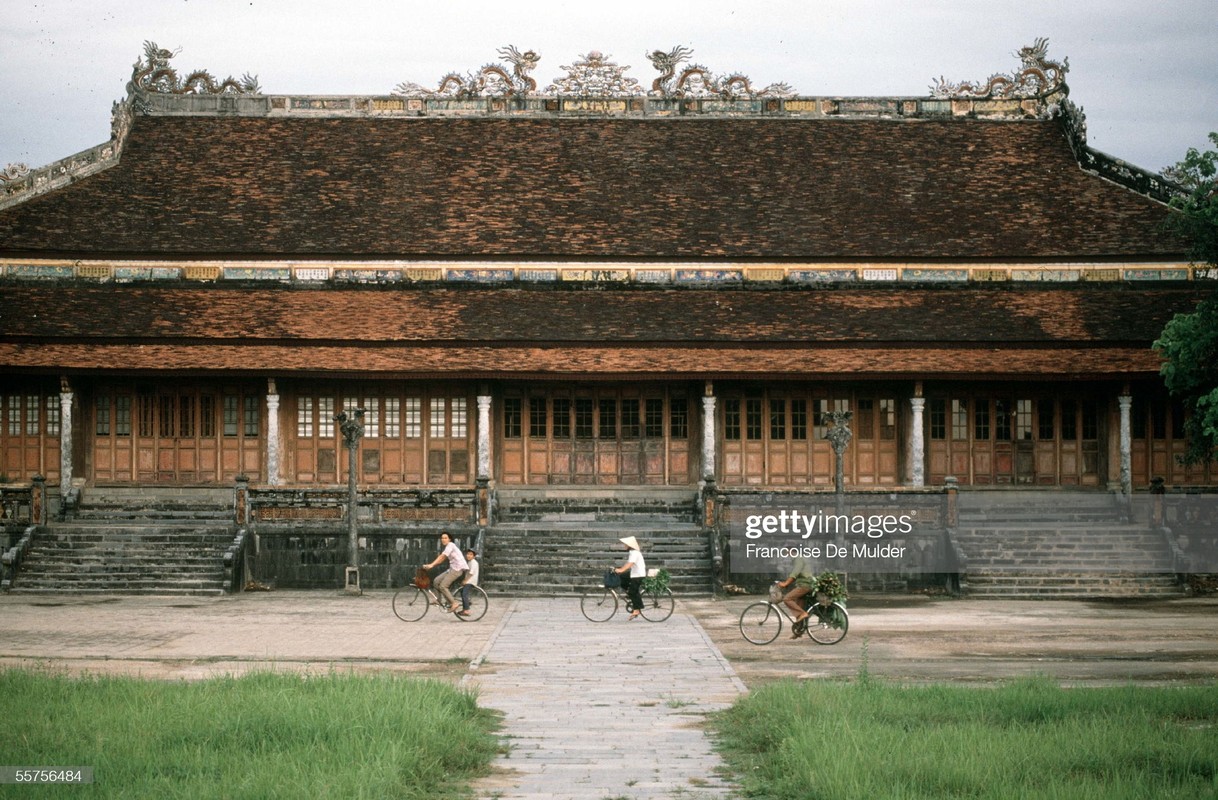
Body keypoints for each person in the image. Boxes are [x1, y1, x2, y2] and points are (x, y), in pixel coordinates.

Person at [423, 531, 469, 613]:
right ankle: (438, 600)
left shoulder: (450, 545)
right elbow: (441, 559)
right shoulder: (447, 547)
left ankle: (453, 603)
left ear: (449, 539)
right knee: (436, 581)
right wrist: (432, 565)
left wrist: (431, 565)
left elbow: (442, 556)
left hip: (458, 569)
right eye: (442, 538)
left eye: (445, 538)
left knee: (443, 586)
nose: (443, 540)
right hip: (452, 568)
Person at [776, 555, 813, 638]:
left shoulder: (799, 559)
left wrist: (785, 583)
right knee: (799, 606)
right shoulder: (799, 558)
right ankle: (799, 631)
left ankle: (803, 614)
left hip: (804, 585)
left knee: (787, 599)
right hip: (804, 584)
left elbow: (794, 574)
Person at [614, 536, 646, 620]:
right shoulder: (632, 552)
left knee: (633, 592)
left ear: (629, 545)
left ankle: (636, 610)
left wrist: (621, 570)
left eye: (625, 544)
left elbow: (630, 564)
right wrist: (620, 570)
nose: (624, 545)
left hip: (638, 575)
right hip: (634, 573)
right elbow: (628, 563)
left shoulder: (634, 553)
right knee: (622, 577)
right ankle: (629, 592)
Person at [459, 549, 479, 615]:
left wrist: (465, 580)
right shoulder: (469, 562)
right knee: (462, 592)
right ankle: (466, 605)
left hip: (470, 581)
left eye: (471, 554)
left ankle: (467, 610)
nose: (469, 556)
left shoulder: (474, 562)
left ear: (474, 556)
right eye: (468, 554)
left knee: (464, 594)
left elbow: (471, 573)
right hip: (468, 580)